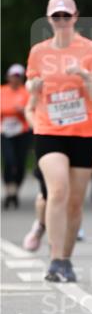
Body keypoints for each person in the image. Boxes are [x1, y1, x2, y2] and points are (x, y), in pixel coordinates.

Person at [24, 0, 92, 281]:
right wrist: (33, 84)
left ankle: (66, 260)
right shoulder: (39, 52)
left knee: (74, 201)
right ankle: (55, 258)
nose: (61, 21)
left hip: (83, 132)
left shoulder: (91, 49)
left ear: (75, 17)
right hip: (49, 130)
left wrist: (85, 75)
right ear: (49, 19)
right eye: (56, 16)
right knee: (58, 190)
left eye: (66, 16)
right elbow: (31, 85)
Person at [1, 64, 31, 208]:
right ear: (8, 77)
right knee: (9, 159)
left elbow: (32, 111)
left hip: (22, 131)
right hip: (5, 131)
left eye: (18, 76)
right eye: (13, 76)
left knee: (20, 162)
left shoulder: (26, 93)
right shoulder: (2, 91)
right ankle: (9, 191)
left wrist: (23, 111)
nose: (15, 79)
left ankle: (15, 190)